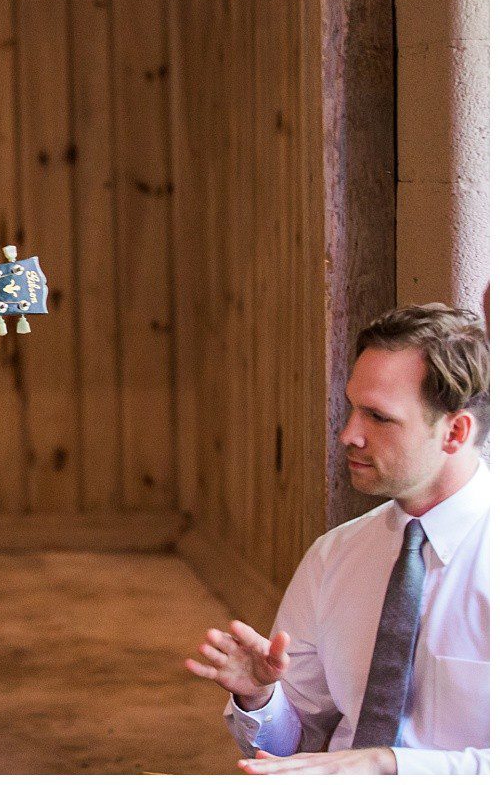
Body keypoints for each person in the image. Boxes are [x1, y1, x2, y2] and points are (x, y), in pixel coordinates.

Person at [185, 304, 490, 775]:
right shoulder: (336, 554)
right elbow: (295, 748)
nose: (348, 434)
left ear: (455, 431)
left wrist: (387, 766)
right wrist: (260, 696)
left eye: (379, 418)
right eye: (352, 408)